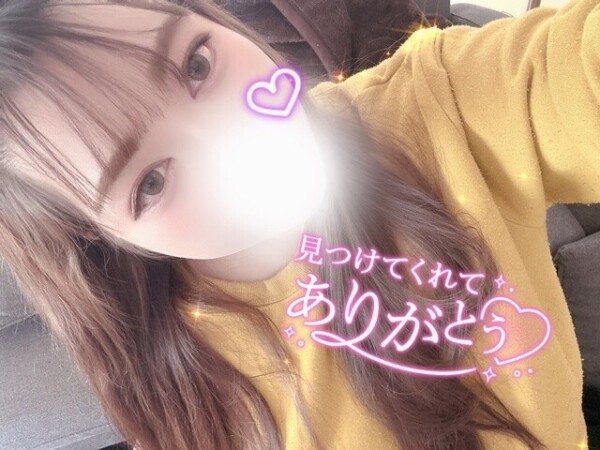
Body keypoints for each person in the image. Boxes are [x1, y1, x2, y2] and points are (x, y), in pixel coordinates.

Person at [0, 0, 596, 448]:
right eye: (150, 182)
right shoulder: (170, 378)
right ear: (93, 233)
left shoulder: (440, 102)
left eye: (197, 63)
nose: (230, 138)